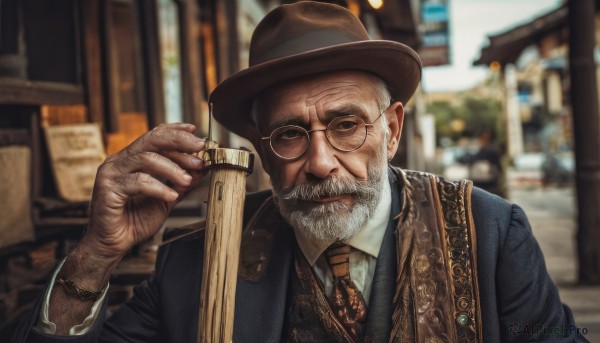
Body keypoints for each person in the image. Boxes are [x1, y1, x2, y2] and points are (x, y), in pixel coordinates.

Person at [12, 2, 587, 342]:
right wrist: (95, 255)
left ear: (391, 129)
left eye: (346, 125)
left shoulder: (491, 234)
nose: (318, 162)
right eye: (289, 134)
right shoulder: (198, 263)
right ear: (261, 151)